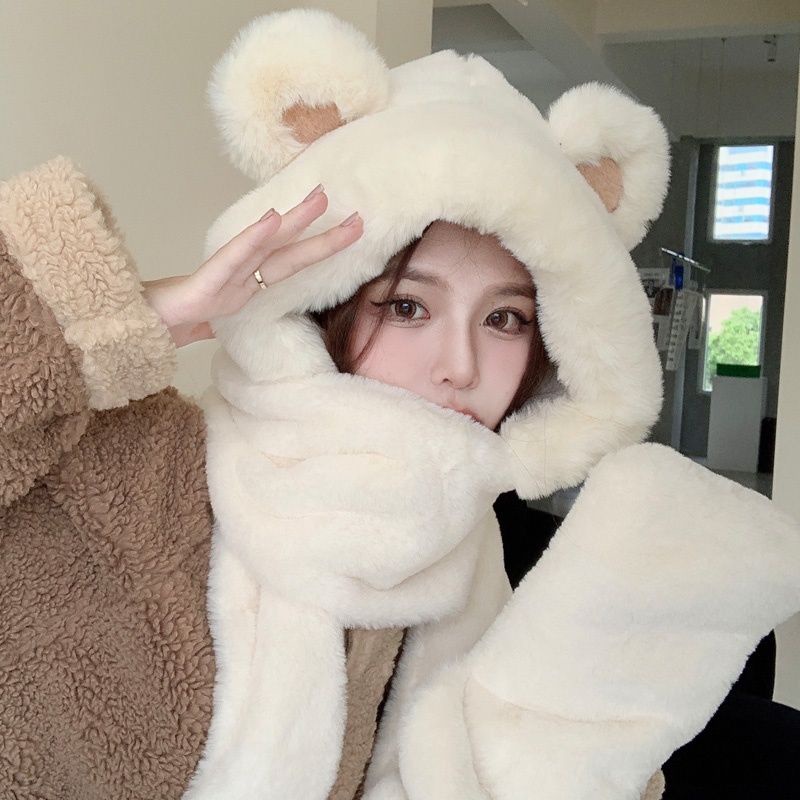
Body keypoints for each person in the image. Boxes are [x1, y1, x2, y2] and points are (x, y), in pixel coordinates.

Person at [3, 9, 800, 800]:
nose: (461, 367)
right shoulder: (134, 469)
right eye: (409, 307)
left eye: (505, 320)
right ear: (329, 302)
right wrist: (149, 311)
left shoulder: (493, 579)